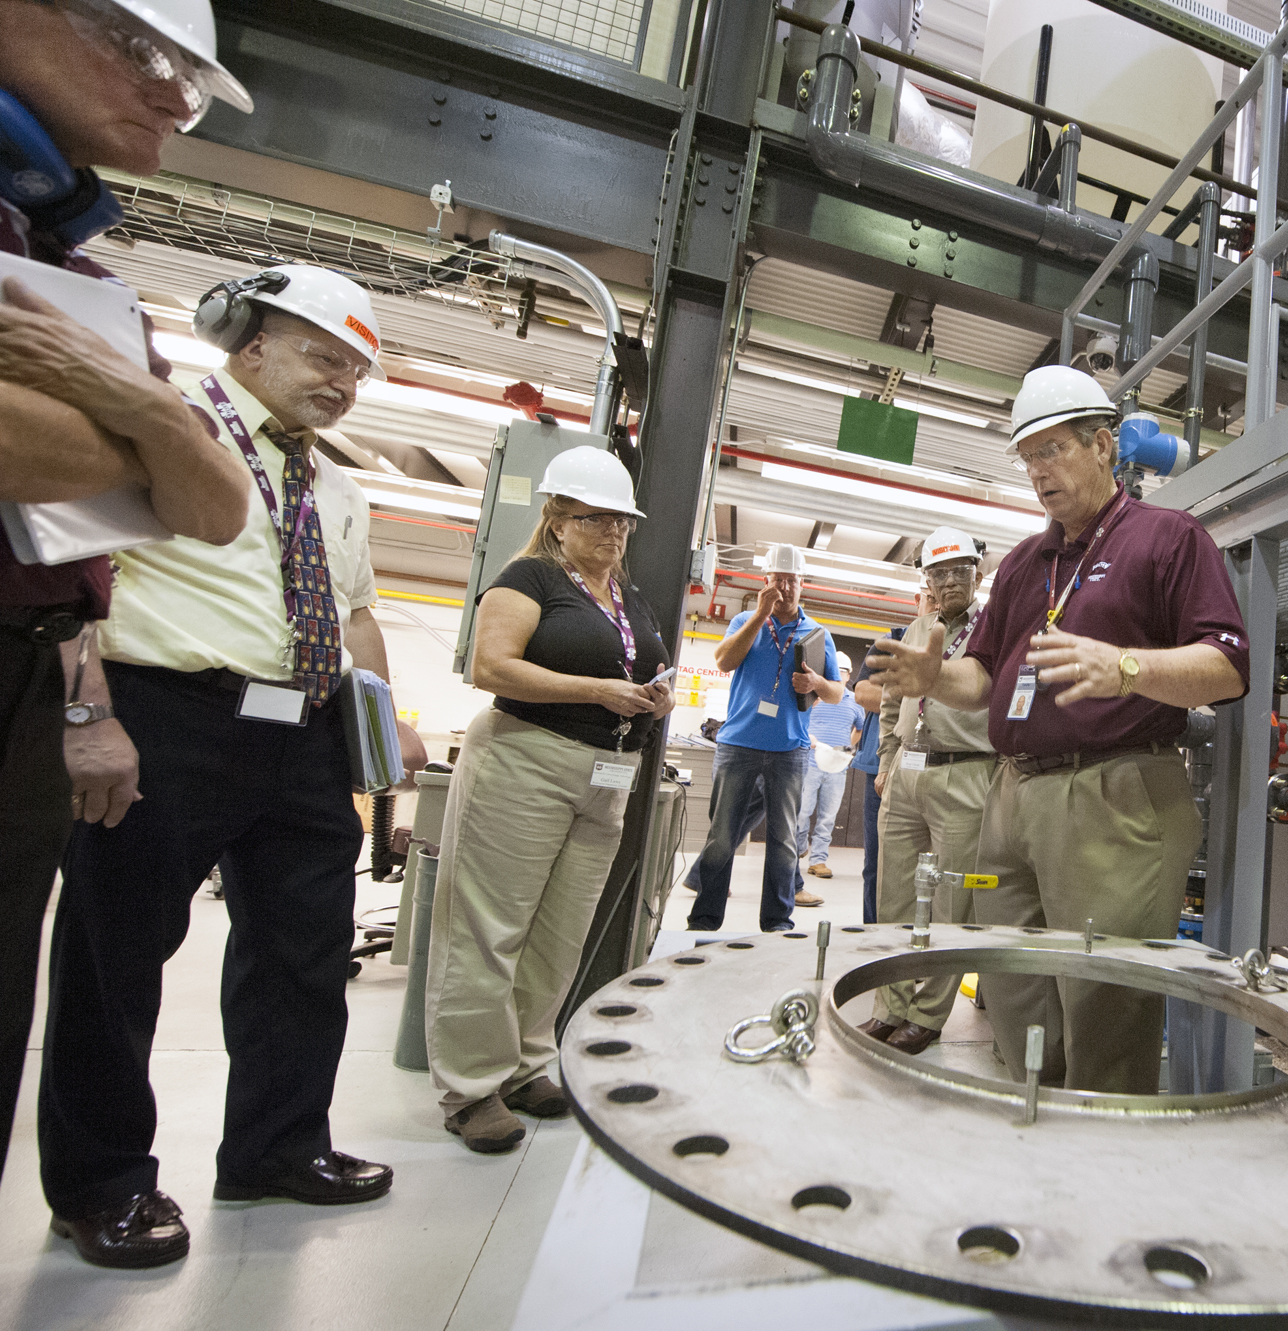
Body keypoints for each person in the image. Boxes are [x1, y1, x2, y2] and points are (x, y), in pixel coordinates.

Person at [38, 262, 426, 1268]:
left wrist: (382, 733)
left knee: (304, 952)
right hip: (169, 712)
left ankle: (277, 1145)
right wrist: (90, 712)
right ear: (248, 340)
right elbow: (77, 565)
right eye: (322, 354)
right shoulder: (165, 420)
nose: (343, 381)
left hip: (306, 731)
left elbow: (353, 615)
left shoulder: (334, 482)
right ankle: (102, 1181)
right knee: (116, 953)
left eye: (359, 368)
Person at [0, 0, 254, 1191]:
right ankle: (102, 1175)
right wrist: (148, 449)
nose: (169, 95)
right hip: (141, 692)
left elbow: (212, 506)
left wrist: (142, 412)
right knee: (113, 961)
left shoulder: (75, 275)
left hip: (31, 654)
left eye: (188, 79)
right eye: (141, 50)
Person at [867, 366, 1250, 1094]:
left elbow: (1228, 667)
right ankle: (1038, 1136)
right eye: (1029, 456)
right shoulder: (1024, 563)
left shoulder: (1168, 538)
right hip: (1011, 797)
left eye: (1054, 450)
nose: (1040, 471)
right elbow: (980, 676)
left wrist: (1128, 667)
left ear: (1105, 445)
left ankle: (1098, 1176)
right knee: (1010, 982)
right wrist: (932, 679)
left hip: (1114, 796)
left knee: (1104, 1008)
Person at [426, 447, 672, 1154]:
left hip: (606, 773)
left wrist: (648, 696)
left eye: (622, 520)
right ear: (557, 518)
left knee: (558, 933)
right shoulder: (527, 576)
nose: (613, 532)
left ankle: (529, 1062)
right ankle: (471, 1086)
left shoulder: (627, 596)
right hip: (525, 759)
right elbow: (490, 665)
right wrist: (595, 690)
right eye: (595, 517)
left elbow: (631, 661)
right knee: (488, 925)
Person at [864, 527, 995, 1055]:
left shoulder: (995, 631)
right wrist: (888, 760)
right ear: (926, 581)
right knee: (892, 895)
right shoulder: (917, 629)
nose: (947, 582)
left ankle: (928, 1014)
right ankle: (890, 1006)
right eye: (937, 573)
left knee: (950, 902)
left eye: (958, 571)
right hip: (908, 776)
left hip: (966, 775)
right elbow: (893, 701)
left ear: (977, 575)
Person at [684, 543, 841, 933]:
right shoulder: (743, 621)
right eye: (779, 580)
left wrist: (816, 682)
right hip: (738, 745)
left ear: (802, 585)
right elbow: (723, 662)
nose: (786, 587)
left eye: (793, 580)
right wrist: (760, 615)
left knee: (784, 841)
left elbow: (837, 693)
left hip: (790, 751)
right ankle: (704, 920)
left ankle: (777, 922)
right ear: (765, 582)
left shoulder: (817, 634)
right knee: (722, 836)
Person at [794, 650, 861, 882]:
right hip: (810, 763)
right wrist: (807, 736)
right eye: (836, 671)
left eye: (843, 671)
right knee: (801, 813)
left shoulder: (855, 702)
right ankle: (800, 846)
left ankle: (818, 860)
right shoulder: (813, 697)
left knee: (827, 817)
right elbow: (797, 719)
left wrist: (846, 750)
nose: (839, 675)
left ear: (849, 675)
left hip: (837, 768)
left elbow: (860, 728)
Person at [849, 645, 888, 923]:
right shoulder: (890, 642)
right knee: (875, 863)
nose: (936, 604)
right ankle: (873, 932)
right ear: (917, 600)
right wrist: (925, 693)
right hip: (878, 766)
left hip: (934, 766)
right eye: (929, 598)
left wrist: (890, 694)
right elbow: (864, 694)